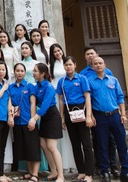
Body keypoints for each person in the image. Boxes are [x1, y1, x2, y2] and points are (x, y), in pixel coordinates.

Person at [87, 57, 128, 182]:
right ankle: (105, 171)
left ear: (105, 65)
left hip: (115, 116)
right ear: (92, 67)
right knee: (102, 145)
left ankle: (126, 171)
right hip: (100, 117)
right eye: (95, 64)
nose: (98, 65)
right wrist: (90, 116)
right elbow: (89, 101)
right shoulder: (90, 81)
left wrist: (123, 114)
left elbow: (120, 98)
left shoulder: (113, 80)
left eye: (100, 63)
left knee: (121, 144)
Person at [57, 56, 94, 182]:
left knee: (86, 144)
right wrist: (62, 116)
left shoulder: (82, 79)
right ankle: (81, 171)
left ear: (75, 65)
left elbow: (87, 97)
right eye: (66, 65)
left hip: (82, 110)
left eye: (70, 64)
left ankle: (89, 173)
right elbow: (61, 100)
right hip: (69, 111)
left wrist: (88, 116)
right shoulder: (62, 81)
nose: (68, 67)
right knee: (75, 144)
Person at [30, 63, 64, 182]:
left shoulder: (49, 86)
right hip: (43, 117)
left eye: (35, 71)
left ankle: (61, 176)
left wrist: (34, 118)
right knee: (44, 145)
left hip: (52, 116)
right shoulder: (37, 86)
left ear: (42, 73)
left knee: (51, 146)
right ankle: (53, 171)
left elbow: (45, 105)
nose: (33, 73)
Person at [9, 63, 40, 182]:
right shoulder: (10, 87)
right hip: (17, 122)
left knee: (33, 148)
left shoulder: (30, 86)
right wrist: (11, 117)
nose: (20, 73)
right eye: (17, 70)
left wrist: (33, 119)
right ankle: (30, 172)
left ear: (25, 72)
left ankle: (35, 174)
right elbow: (10, 104)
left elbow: (33, 103)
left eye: (22, 71)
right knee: (25, 148)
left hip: (28, 121)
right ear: (14, 72)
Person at [49, 44, 75, 174]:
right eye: (55, 52)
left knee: (70, 132)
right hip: (56, 96)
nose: (58, 53)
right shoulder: (51, 66)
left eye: (59, 50)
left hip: (68, 96)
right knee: (59, 127)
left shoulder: (68, 63)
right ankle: (62, 164)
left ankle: (72, 162)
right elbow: (51, 81)